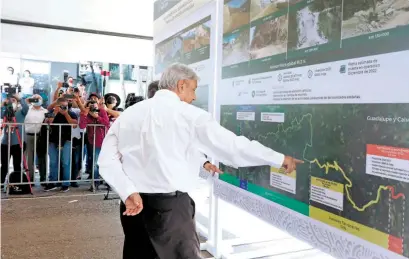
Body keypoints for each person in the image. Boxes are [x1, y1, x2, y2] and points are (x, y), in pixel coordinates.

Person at [98, 63, 302, 259]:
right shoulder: (190, 116)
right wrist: (279, 158)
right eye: (193, 89)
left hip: (132, 205)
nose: (194, 97)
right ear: (181, 85)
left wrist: (128, 191)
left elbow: (107, 160)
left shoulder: (129, 115)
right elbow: (233, 146)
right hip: (170, 210)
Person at [44, 97, 77, 192]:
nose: (63, 107)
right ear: (56, 105)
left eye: (65, 106)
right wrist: (55, 112)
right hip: (53, 140)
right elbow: (48, 122)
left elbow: (74, 124)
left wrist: (65, 113)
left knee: (66, 163)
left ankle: (66, 183)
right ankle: (52, 182)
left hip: (66, 140)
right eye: (61, 106)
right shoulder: (52, 112)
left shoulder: (71, 113)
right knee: (53, 162)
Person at [79, 98, 109, 191]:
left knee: (106, 163)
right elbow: (82, 126)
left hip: (105, 141)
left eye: (95, 105)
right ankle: (95, 183)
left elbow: (106, 123)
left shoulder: (102, 111)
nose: (93, 107)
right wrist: (85, 114)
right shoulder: (85, 114)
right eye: (91, 105)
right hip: (94, 142)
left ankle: (108, 182)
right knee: (95, 163)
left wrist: (97, 117)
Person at [1, 95, 29, 186]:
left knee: (17, 164)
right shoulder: (5, 111)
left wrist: (20, 98)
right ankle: (1, 183)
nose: (12, 102)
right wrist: (3, 104)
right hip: (5, 142)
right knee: (4, 165)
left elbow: (26, 108)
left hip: (18, 142)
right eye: (10, 100)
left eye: (14, 100)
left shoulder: (21, 112)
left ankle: (17, 183)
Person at [23, 94, 47, 184]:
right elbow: (23, 105)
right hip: (29, 136)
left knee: (42, 157)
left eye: (38, 98)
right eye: (35, 98)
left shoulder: (45, 111)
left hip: (41, 137)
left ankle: (43, 178)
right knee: (29, 158)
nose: (37, 100)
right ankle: (30, 178)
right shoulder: (27, 109)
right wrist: (28, 100)